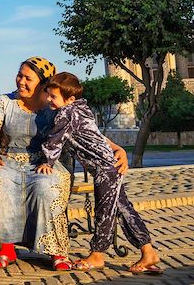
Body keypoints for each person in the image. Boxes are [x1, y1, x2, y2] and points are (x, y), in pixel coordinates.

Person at [0, 57, 129, 270]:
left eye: (28, 78)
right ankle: (5, 247)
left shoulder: (55, 106)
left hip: (45, 162)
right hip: (8, 161)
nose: (20, 81)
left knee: (46, 186)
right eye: (20, 75)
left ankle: (55, 249)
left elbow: (85, 130)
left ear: (43, 84)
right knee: (1, 181)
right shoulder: (5, 102)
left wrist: (115, 148)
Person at [36, 72, 162, 274]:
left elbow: (55, 139)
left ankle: (97, 255)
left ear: (70, 100)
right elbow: (95, 135)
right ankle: (149, 252)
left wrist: (47, 161)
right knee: (122, 209)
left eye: (53, 97)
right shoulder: (83, 109)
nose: (49, 100)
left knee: (105, 212)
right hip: (110, 166)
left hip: (104, 169)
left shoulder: (65, 114)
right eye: (48, 95)